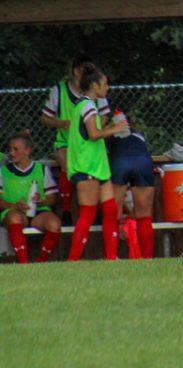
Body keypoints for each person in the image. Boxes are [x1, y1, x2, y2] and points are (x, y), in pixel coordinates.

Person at [39, 52, 110, 216]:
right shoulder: (59, 90)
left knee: (100, 165)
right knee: (66, 162)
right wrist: (62, 123)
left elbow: (105, 115)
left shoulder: (97, 90)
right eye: (87, 69)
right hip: (66, 142)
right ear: (77, 71)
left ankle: (99, 207)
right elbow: (45, 118)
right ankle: (66, 210)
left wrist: (97, 127)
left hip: (90, 142)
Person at [65, 64, 124, 261]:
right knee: (88, 214)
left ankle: (112, 258)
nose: (107, 87)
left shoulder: (86, 105)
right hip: (86, 166)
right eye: (104, 84)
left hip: (98, 167)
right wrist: (114, 129)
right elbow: (93, 134)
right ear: (94, 85)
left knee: (110, 210)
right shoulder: (88, 106)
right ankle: (72, 261)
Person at [1, 130, 61, 263]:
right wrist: (13, 205)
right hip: (14, 211)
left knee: (54, 224)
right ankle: (24, 264)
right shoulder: (3, 171)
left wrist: (42, 200)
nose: (11, 153)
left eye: (16, 149)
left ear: (28, 150)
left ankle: (40, 264)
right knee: (14, 218)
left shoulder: (41, 169)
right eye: (10, 149)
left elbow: (52, 198)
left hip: (38, 211)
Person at [106, 106, 157, 258]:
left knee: (114, 213)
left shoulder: (109, 136)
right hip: (142, 161)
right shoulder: (139, 137)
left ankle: (112, 256)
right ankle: (147, 258)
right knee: (144, 215)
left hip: (120, 161)